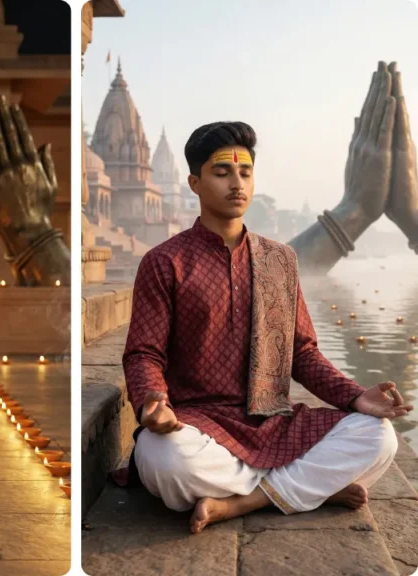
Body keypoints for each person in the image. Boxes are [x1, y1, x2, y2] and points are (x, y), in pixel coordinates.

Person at [120, 116, 413, 535]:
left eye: (245, 172)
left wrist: (354, 396)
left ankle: (241, 503)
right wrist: (154, 405)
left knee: (379, 438)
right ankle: (310, 489)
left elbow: (303, 353)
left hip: (274, 422)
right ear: (194, 183)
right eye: (222, 172)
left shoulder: (280, 261)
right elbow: (144, 353)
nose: (236, 183)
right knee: (163, 458)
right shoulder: (165, 262)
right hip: (199, 424)